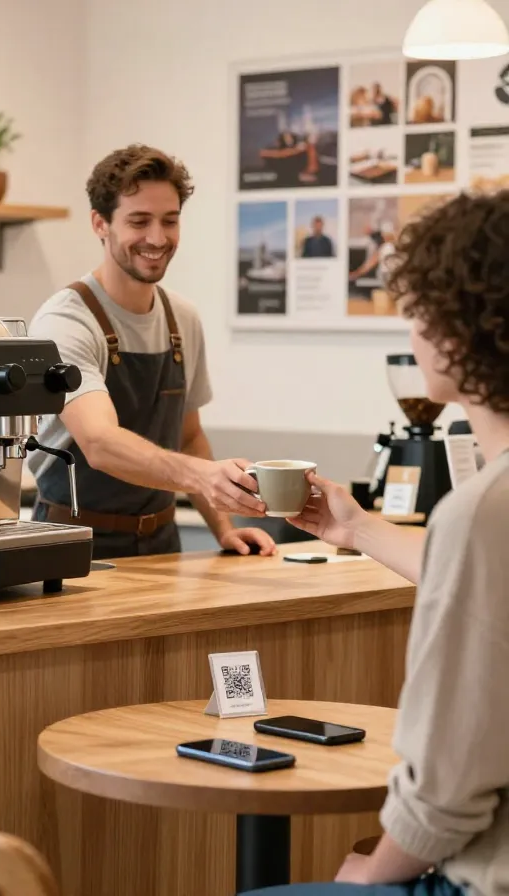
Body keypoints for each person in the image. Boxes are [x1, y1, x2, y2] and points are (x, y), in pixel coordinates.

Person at [249, 190, 509, 894]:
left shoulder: (483, 512)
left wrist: (369, 876)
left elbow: (443, 797)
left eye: (418, 310)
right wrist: (355, 527)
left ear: (459, 329)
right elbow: (482, 585)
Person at [28, 144, 275, 560]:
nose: (157, 238)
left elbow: (189, 436)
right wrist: (205, 477)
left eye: (170, 221)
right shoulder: (65, 323)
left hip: (162, 546)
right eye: (139, 221)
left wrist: (224, 529)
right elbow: (100, 442)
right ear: (100, 224)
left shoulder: (182, 319)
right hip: (70, 545)